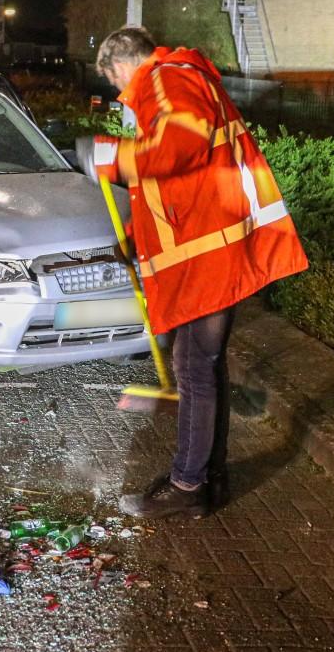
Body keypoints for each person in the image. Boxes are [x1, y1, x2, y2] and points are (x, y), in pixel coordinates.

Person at [88, 27, 308, 519]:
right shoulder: (181, 78)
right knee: (203, 366)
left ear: (122, 65)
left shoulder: (166, 79)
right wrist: (133, 233)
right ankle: (208, 478)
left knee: (195, 368)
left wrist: (111, 156)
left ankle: (189, 486)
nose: (122, 98)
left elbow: (178, 148)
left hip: (209, 256)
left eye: (117, 85)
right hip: (213, 249)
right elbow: (174, 181)